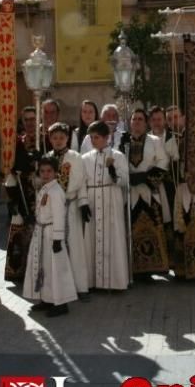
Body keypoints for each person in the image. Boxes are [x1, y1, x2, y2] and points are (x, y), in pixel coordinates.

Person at [23, 157, 78, 316]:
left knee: (56, 269)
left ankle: (61, 303)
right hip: (41, 232)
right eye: (42, 171)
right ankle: (47, 298)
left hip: (52, 234)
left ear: (55, 173)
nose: (46, 174)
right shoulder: (44, 188)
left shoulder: (56, 191)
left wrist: (57, 239)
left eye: (49, 171)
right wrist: (34, 218)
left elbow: (60, 216)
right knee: (44, 267)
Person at [81, 121, 130, 290]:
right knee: (92, 239)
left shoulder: (118, 156)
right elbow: (82, 183)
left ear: (106, 138)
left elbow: (124, 181)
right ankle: (92, 282)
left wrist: (113, 171)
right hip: (93, 199)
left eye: (97, 137)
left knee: (113, 236)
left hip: (111, 199)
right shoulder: (85, 159)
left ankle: (115, 282)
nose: (94, 141)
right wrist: (83, 202)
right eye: (92, 137)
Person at [46, 122, 91, 296]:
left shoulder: (75, 156)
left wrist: (82, 202)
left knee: (74, 245)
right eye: (54, 138)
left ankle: (79, 287)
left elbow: (80, 181)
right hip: (52, 209)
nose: (58, 141)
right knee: (55, 247)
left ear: (68, 138)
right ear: (50, 139)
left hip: (70, 206)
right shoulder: (47, 156)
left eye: (62, 138)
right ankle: (58, 287)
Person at [125, 109, 170, 278]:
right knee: (132, 230)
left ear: (146, 122)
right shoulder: (124, 141)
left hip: (149, 191)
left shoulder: (155, 141)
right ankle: (135, 269)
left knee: (153, 227)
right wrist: (127, 177)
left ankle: (154, 267)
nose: (136, 122)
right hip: (130, 192)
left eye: (140, 119)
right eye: (134, 119)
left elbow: (163, 160)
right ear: (130, 122)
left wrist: (148, 177)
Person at [4, 106, 41, 282]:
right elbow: (10, 170)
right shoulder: (16, 142)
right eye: (26, 119)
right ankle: (23, 271)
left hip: (42, 194)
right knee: (23, 233)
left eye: (33, 119)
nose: (30, 123)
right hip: (23, 194)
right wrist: (11, 199)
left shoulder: (46, 139)